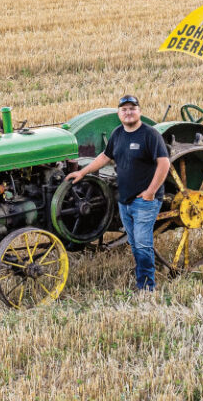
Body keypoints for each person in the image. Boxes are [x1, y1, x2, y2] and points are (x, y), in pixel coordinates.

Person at [67, 95, 169, 292]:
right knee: (134, 242)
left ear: (139, 111)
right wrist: (82, 172)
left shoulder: (150, 135)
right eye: (124, 109)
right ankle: (143, 272)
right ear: (119, 113)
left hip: (145, 201)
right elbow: (105, 156)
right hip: (125, 200)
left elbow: (164, 163)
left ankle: (147, 286)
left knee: (142, 244)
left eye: (132, 108)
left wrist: (151, 192)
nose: (128, 112)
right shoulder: (118, 134)